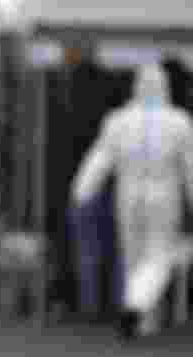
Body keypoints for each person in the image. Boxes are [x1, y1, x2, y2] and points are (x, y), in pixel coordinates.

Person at [71, 63, 193, 339]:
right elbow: (190, 166)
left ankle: (142, 318)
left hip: (128, 193)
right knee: (158, 256)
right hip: (164, 194)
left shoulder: (118, 121)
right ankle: (138, 306)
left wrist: (83, 190)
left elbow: (101, 158)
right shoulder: (180, 121)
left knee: (132, 255)